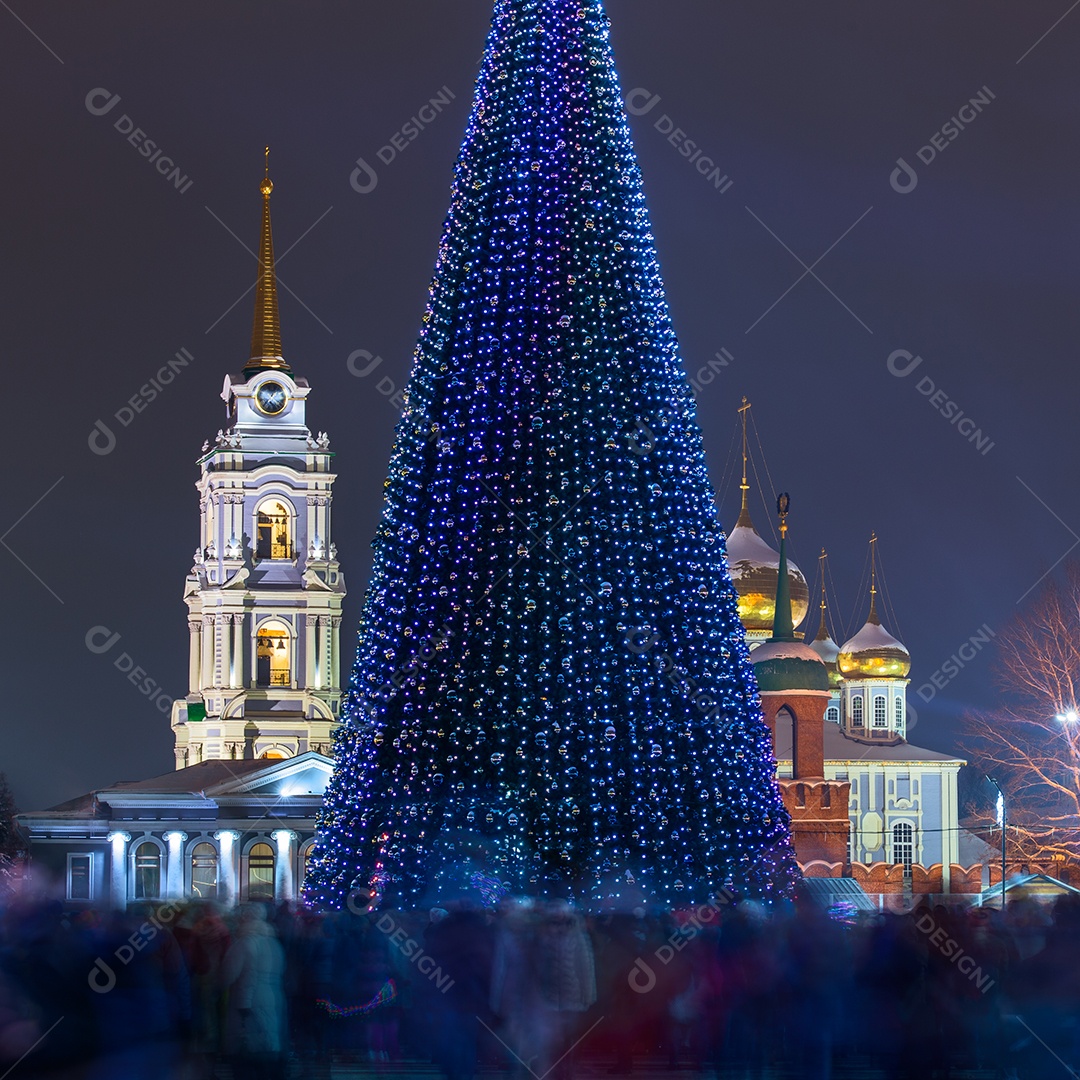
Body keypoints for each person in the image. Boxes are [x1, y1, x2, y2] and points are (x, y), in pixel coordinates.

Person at [221, 903, 287, 1080]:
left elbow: (228, 975)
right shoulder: (274, 943)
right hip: (273, 998)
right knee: (267, 1045)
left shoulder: (243, 943)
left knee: (247, 1049)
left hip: (247, 1002)